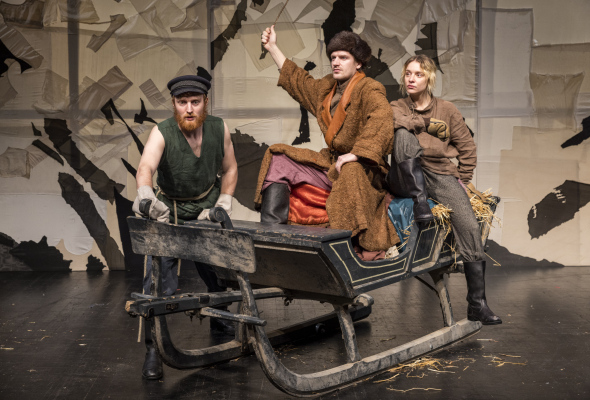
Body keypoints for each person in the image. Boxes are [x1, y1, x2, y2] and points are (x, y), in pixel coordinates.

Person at [256, 26, 399, 259]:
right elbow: (298, 80)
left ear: (358, 63)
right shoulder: (326, 88)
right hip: (332, 163)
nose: (336, 63)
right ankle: (272, 235)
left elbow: (381, 119)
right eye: (333, 57)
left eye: (343, 57)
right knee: (278, 156)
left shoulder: (369, 88)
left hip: (364, 169)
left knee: (350, 169)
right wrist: (272, 47)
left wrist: (356, 154)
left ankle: (343, 250)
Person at [132, 74, 238, 379]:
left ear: (205, 102)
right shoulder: (162, 131)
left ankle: (221, 319)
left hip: (206, 211)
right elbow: (145, 167)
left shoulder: (219, 128)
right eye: (182, 102)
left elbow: (230, 168)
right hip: (170, 213)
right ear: (174, 104)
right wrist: (146, 197)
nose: (189, 109)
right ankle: (154, 349)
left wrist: (224, 202)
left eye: (195, 102)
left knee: (219, 272)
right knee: (156, 285)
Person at [388, 54, 501, 325]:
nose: (412, 79)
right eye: (408, 74)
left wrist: (462, 178)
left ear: (429, 79)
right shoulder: (397, 105)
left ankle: (477, 304)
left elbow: (467, 148)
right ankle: (420, 202)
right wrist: (427, 125)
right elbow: (396, 123)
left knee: (469, 224)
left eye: (418, 74)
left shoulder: (447, 109)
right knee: (402, 135)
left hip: (440, 173)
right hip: (405, 173)